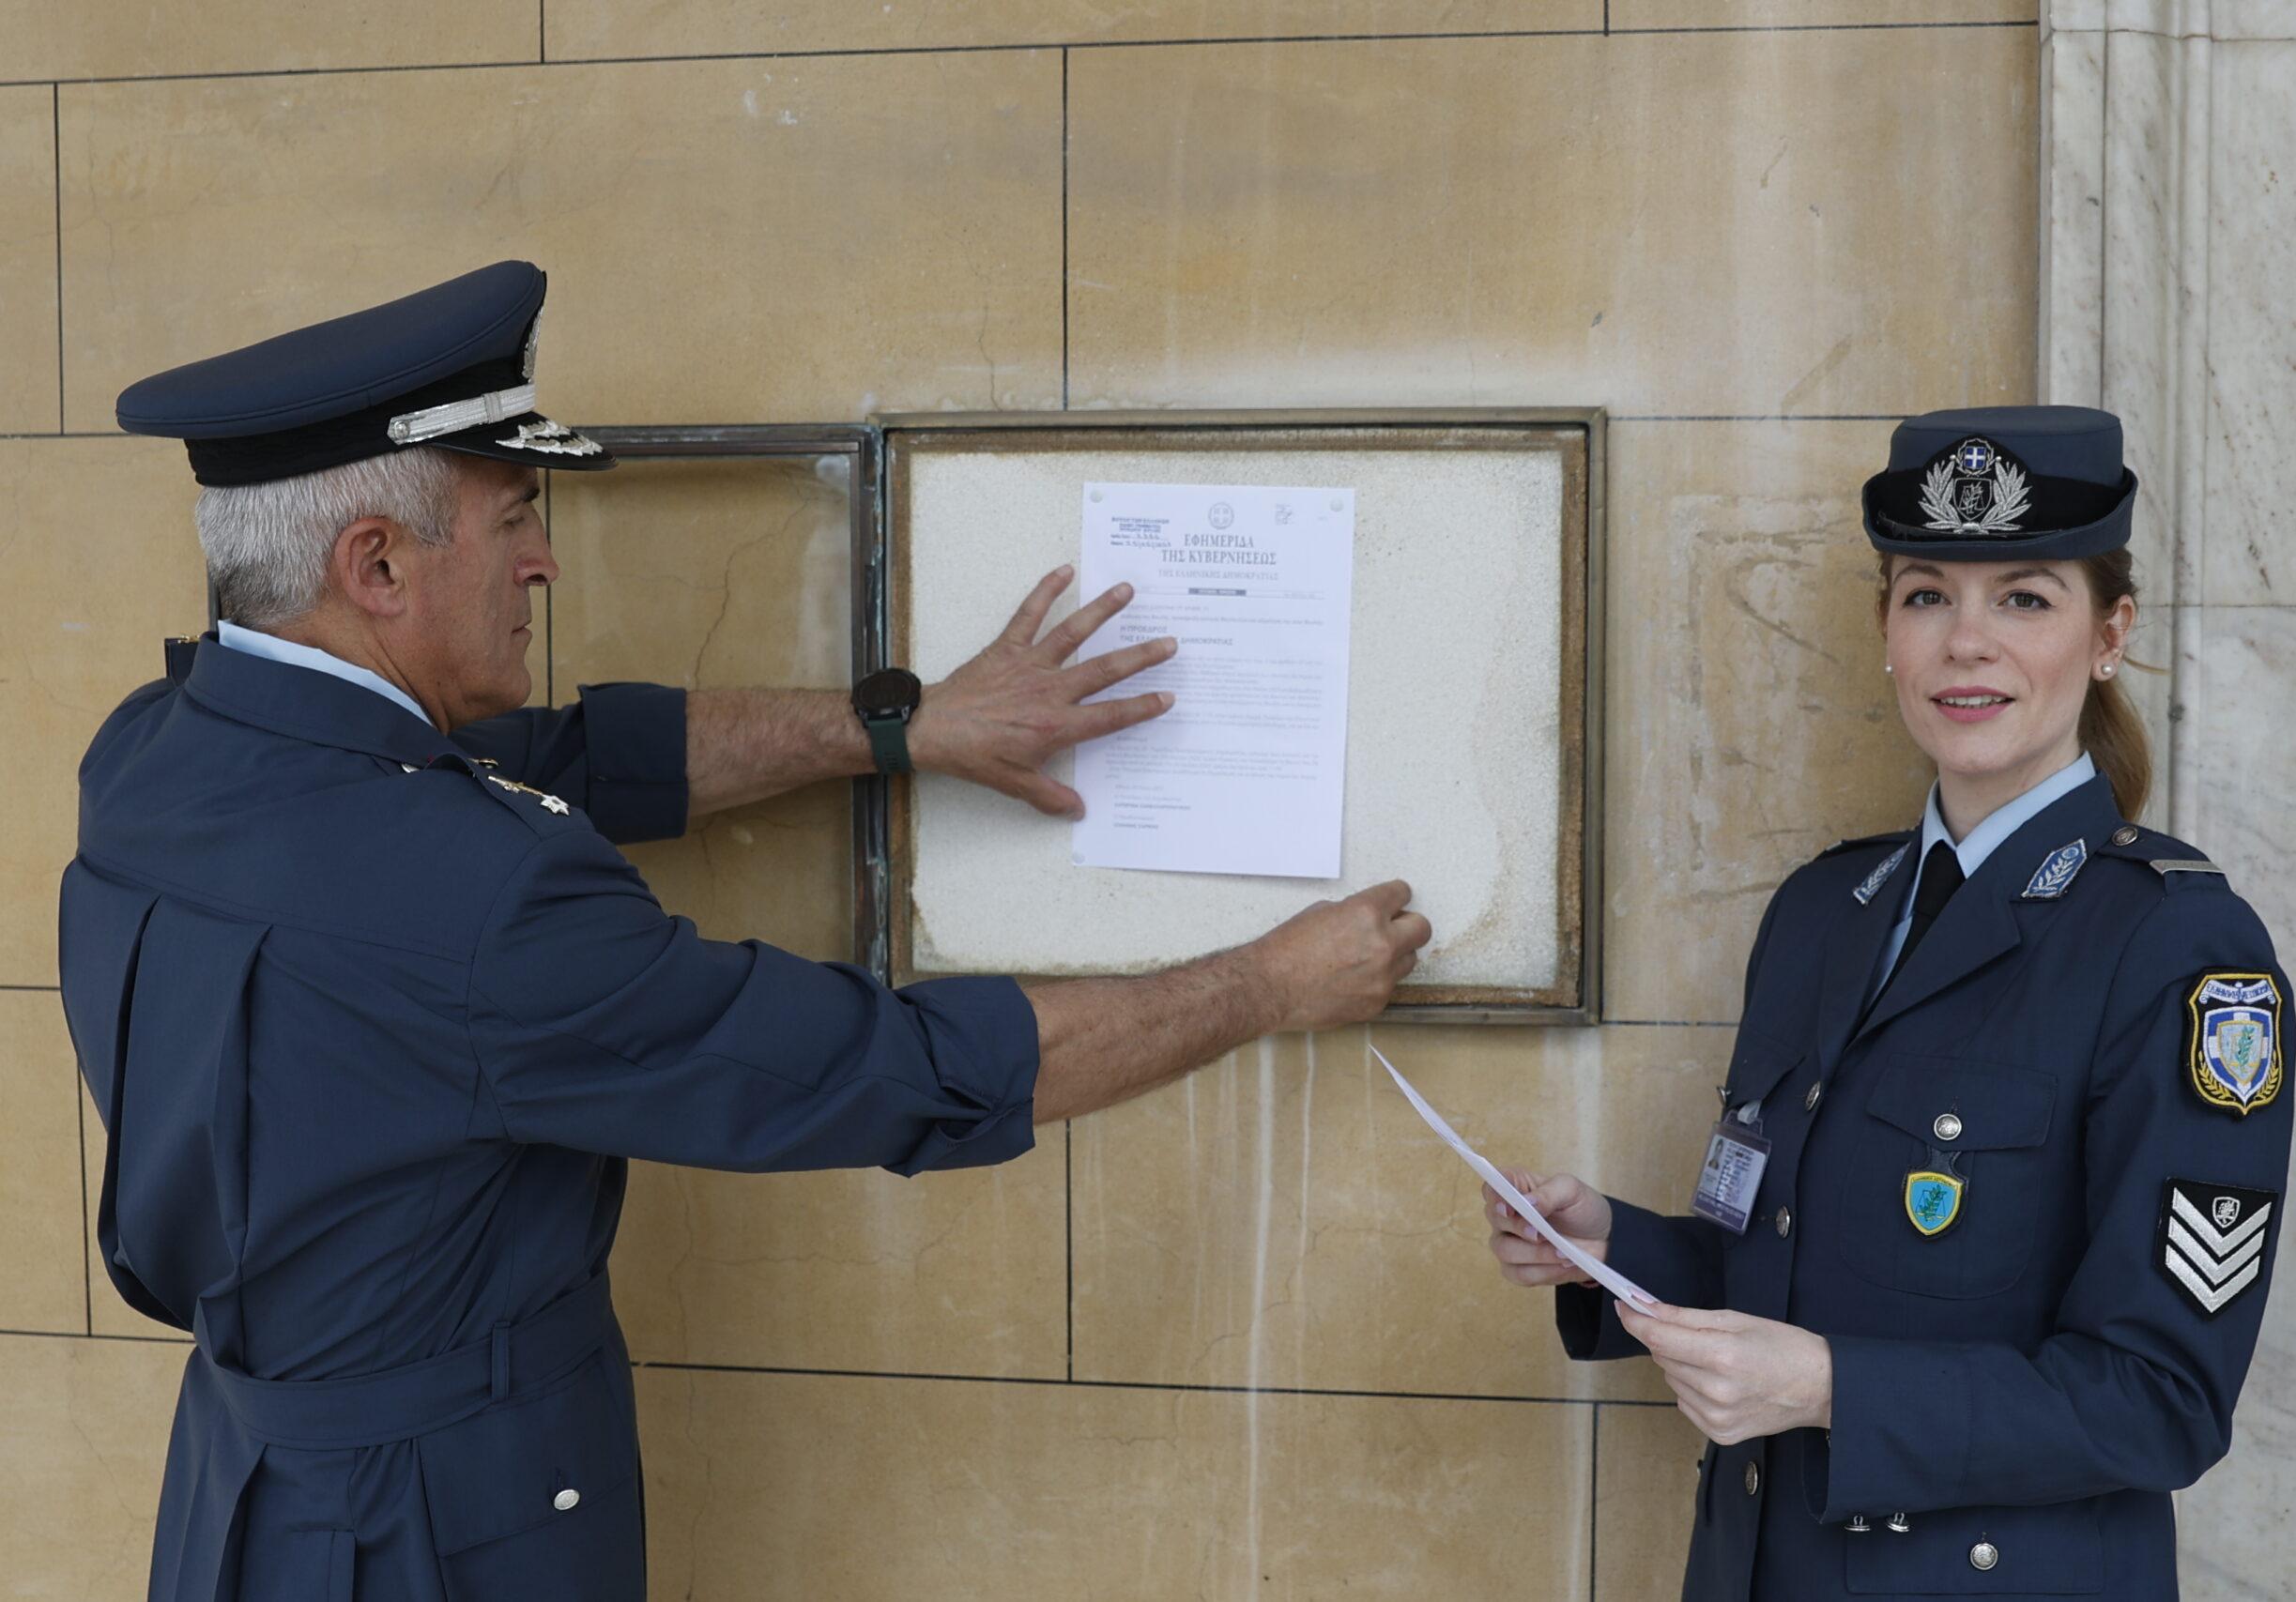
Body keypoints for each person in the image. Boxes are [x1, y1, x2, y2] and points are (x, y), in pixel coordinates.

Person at [60, 261, 1431, 1602]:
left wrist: (900, 725)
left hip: (243, 1495)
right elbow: (894, 1069)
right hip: (439, 1525)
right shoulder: (492, 907)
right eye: (514, 517)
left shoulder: (152, 759)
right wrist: (1265, 981)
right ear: (375, 564)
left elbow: (560, 758)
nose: (542, 562)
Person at [1482, 406, 2294, 1601]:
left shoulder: (2175, 947)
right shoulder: (1821, 913)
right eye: (1926, 597)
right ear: (1884, 630)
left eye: (2024, 599)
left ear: (2109, 632)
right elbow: (1796, 1252)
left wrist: (1824, 1390)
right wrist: (1615, 1250)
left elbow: (2161, 1401)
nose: (1967, 644)